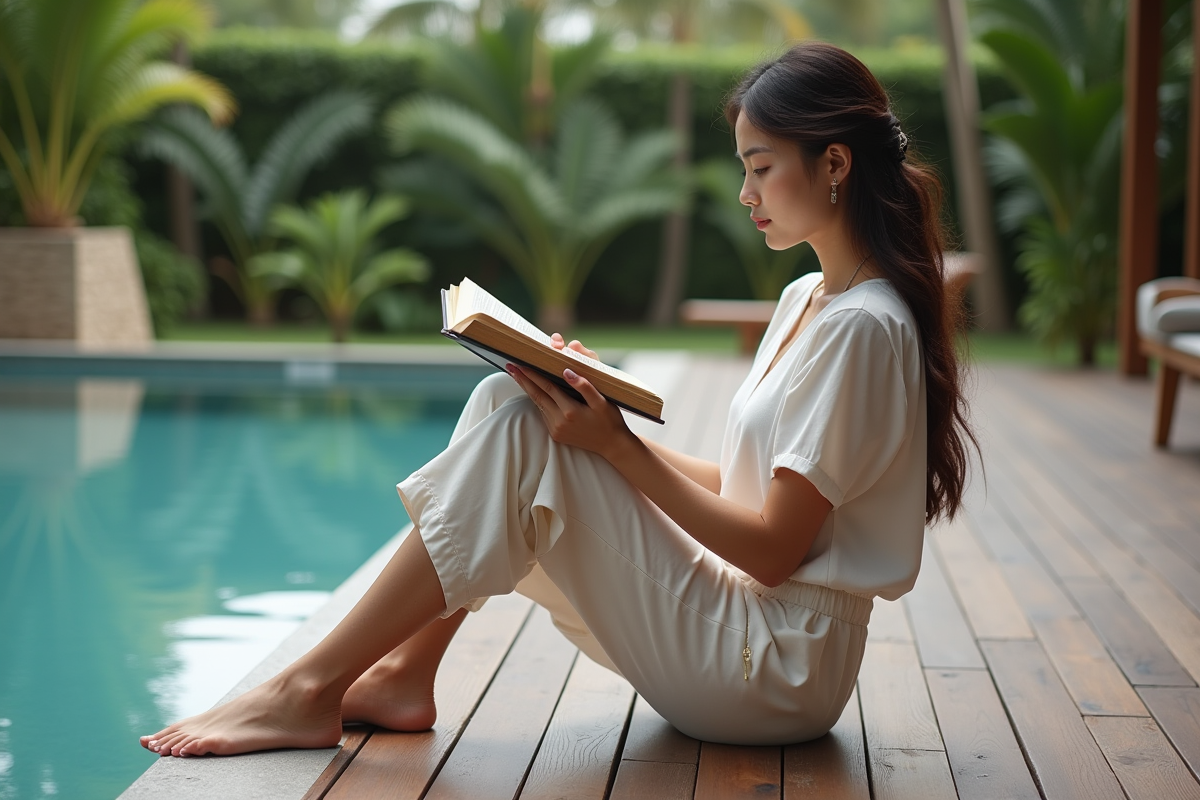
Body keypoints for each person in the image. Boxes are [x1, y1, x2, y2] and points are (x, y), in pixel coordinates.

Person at [140, 41, 978, 758]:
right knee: (515, 406)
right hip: (746, 631)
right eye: (743, 169)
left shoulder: (866, 329)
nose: (745, 194)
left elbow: (771, 551)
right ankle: (400, 675)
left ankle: (310, 686)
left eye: (760, 168)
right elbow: (746, 484)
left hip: (776, 672)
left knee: (519, 431)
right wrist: (596, 412)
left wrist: (614, 448)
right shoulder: (809, 300)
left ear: (834, 162)